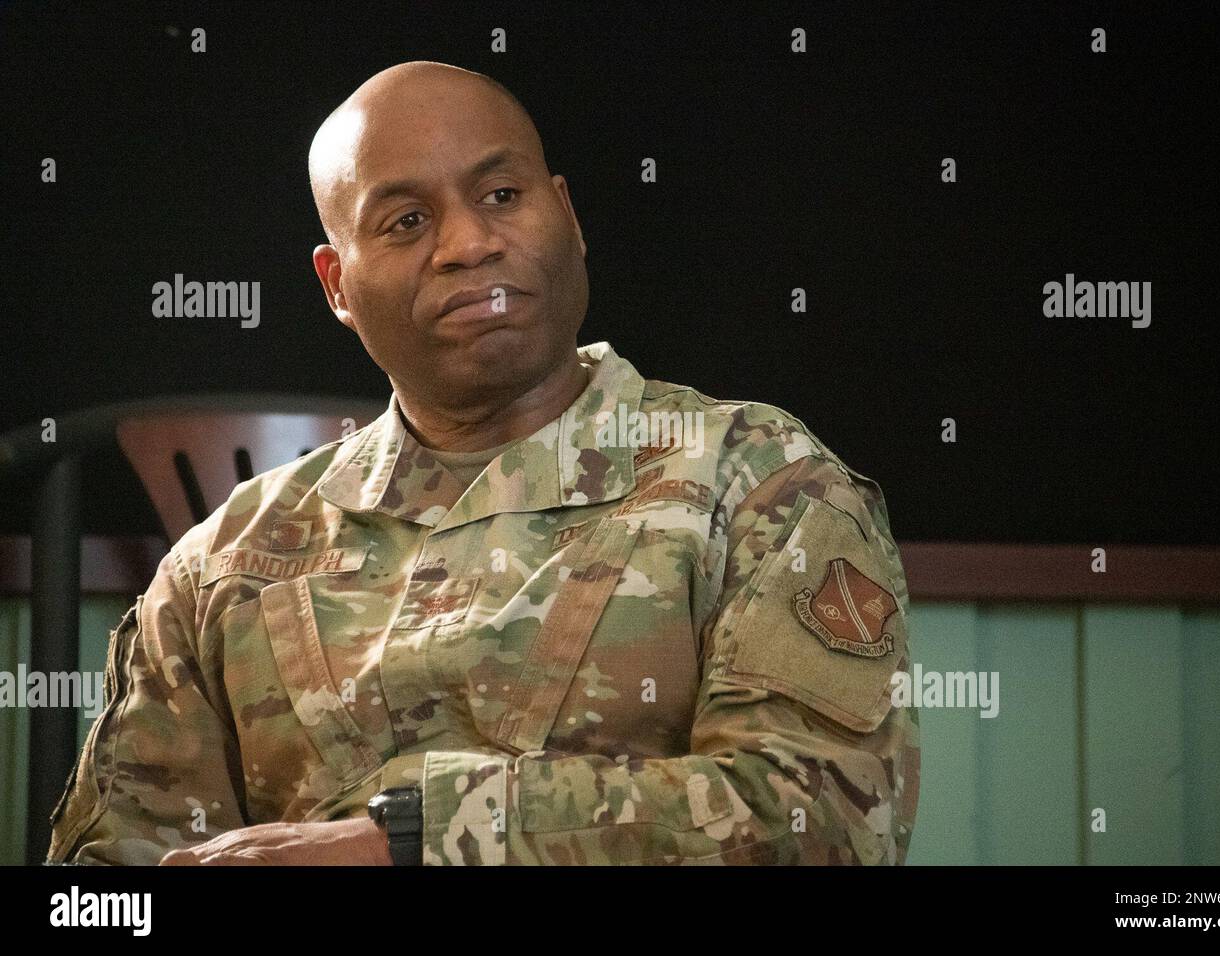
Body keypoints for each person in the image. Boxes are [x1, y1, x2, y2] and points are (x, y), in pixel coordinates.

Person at [46, 61, 920, 866]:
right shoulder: (228, 561)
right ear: (337, 286)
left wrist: (415, 844)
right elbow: (105, 891)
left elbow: (821, 818)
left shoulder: (759, 481)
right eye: (407, 221)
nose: (468, 242)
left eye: (502, 193)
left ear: (568, 217)